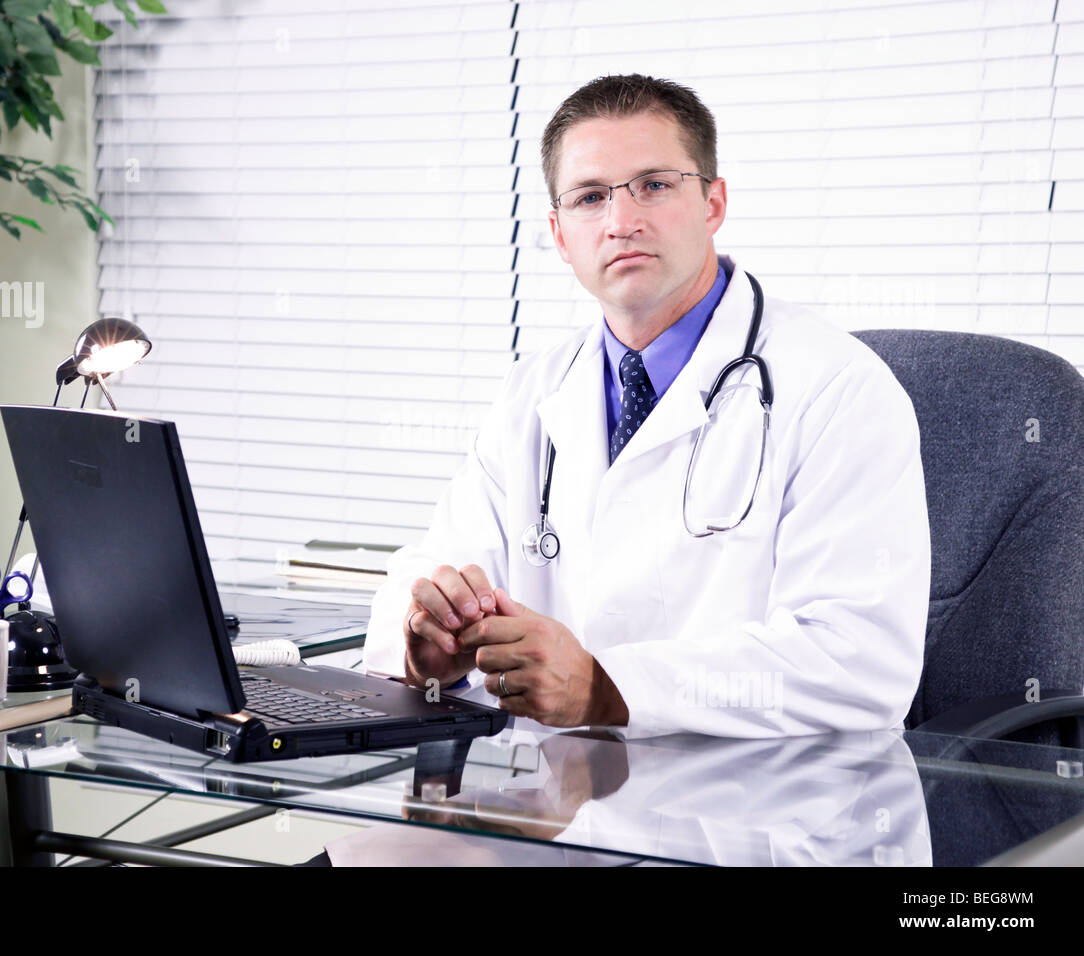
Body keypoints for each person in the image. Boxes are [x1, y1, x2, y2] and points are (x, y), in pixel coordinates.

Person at [361, 74, 931, 739]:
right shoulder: (534, 395)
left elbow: (857, 663)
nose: (621, 221)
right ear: (559, 234)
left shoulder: (839, 390)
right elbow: (439, 570)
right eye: (590, 197)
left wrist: (607, 687)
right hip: (555, 809)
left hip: (753, 817)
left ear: (714, 202)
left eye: (655, 185)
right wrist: (428, 648)